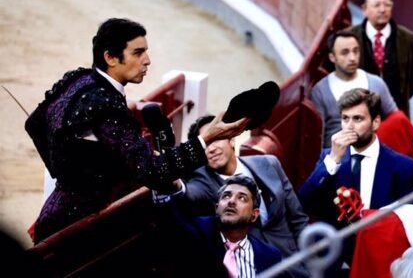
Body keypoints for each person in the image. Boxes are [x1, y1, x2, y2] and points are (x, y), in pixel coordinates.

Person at [26, 18, 248, 242]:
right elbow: (151, 171)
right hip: (81, 226)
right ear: (110, 58)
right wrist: (207, 138)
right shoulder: (107, 104)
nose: (147, 60)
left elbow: (34, 124)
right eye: (138, 53)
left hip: (57, 210)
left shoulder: (79, 78)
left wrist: (66, 170)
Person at [181, 115, 309, 275]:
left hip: (296, 267)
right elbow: (186, 193)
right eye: (204, 146)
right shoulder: (202, 181)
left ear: (232, 140)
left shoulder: (269, 163)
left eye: (215, 139)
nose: (211, 149)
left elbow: (298, 219)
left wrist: (312, 263)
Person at [299, 89, 413, 226]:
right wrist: (333, 160)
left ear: (375, 123)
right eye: (345, 118)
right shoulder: (329, 159)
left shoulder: (404, 168)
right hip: (341, 246)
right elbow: (304, 203)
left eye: (357, 119)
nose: (349, 126)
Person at [180, 176, 283, 277]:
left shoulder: (271, 256)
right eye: (226, 196)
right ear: (217, 208)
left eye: (242, 198)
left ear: (254, 214)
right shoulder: (196, 232)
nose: (231, 201)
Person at [310, 31, 398, 147]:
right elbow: (318, 136)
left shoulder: (376, 83)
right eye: (345, 53)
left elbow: (395, 120)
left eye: (356, 51)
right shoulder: (320, 90)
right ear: (332, 57)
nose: (352, 58)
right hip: (338, 158)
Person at [347, 0, 413, 117]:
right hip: (359, 115)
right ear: (364, 9)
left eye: (387, 5)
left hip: (396, 114)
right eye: (377, 5)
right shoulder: (348, 37)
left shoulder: (408, 38)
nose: (382, 9)